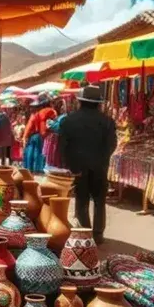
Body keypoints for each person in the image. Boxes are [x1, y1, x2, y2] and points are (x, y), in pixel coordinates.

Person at [59, 85, 117, 242]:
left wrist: (72, 166)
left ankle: (85, 233)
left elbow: (63, 147)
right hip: (100, 167)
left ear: (80, 101)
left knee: (81, 200)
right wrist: (102, 160)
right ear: (98, 103)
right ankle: (98, 235)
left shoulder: (68, 121)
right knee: (99, 201)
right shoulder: (108, 122)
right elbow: (112, 145)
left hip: (79, 167)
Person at [22, 95, 56, 173]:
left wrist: (24, 137)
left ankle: (29, 170)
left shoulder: (34, 114)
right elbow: (52, 126)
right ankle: (39, 170)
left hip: (33, 137)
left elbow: (28, 127)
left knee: (31, 153)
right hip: (42, 136)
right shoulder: (50, 112)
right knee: (40, 153)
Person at [42, 98, 67, 169]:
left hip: (56, 140)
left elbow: (57, 127)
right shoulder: (58, 116)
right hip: (53, 141)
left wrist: (50, 124)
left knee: (54, 158)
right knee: (52, 158)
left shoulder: (63, 117)